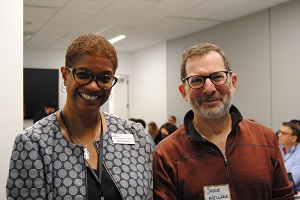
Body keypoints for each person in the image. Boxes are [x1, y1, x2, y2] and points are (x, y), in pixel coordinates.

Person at [7, 33, 153, 199]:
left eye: (104, 78)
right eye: (83, 74)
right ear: (65, 75)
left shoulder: (135, 135)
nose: (93, 86)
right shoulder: (34, 143)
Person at [153, 43, 294, 199]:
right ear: (184, 92)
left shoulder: (265, 138)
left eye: (217, 77)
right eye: (197, 80)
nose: (209, 88)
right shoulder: (167, 154)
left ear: (232, 82)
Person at [278, 120, 300, 192]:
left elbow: (291, 181)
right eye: (279, 132)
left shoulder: (298, 154)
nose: (279, 135)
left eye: (283, 133)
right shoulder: (278, 149)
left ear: (294, 138)